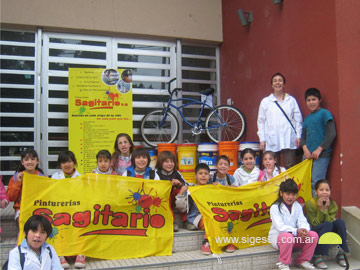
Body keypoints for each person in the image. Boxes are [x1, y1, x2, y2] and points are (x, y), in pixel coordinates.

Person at [175, 163, 231, 255]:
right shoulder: (191, 189)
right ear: (195, 176)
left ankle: (226, 241)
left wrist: (223, 189)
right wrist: (181, 193)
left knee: (222, 217)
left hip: (212, 214)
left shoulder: (212, 187)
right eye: (200, 173)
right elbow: (181, 208)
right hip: (197, 217)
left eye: (206, 173)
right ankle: (207, 242)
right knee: (212, 219)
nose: (203, 176)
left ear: (209, 176)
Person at [268, 179, 318, 270]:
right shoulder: (274, 208)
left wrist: (304, 230)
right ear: (281, 193)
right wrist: (296, 231)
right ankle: (284, 263)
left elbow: (302, 220)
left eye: (293, 194)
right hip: (280, 238)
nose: (290, 197)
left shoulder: (297, 206)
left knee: (313, 235)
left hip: (294, 238)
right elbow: (280, 227)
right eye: (288, 194)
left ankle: (303, 260)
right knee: (287, 237)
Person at [257, 72, 303, 169]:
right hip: (271, 138)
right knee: (272, 167)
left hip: (289, 137)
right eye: (275, 81)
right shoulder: (265, 101)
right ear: (272, 84)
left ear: (284, 84)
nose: (278, 83)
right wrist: (262, 139)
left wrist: (298, 135)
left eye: (280, 81)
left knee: (290, 166)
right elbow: (261, 121)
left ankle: (290, 184)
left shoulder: (291, 100)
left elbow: (298, 120)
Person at [304, 179, 349, 269]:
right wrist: (321, 210)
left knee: (340, 222)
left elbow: (331, 221)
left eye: (327, 190)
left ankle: (341, 253)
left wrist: (326, 209)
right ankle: (317, 255)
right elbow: (314, 223)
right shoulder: (310, 204)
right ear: (316, 192)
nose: (324, 192)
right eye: (321, 190)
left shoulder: (333, 205)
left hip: (328, 227)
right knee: (327, 224)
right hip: (315, 230)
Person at [51, 150, 84, 269]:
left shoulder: (81, 178)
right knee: (60, 231)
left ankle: (80, 255)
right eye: (64, 162)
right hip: (61, 211)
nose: (67, 164)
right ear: (60, 164)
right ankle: (60, 255)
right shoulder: (55, 177)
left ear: (74, 162)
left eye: (69, 161)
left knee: (79, 230)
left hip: (76, 211)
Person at [300, 88, 336, 196]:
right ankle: (308, 209)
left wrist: (319, 149)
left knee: (317, 183)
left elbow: (331, 134)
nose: (311, 102)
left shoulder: (325, 114)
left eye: (314, 99)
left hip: (322, 155)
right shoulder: (307, 118)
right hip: (307, 156)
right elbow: (303, 137)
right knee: (305, 182)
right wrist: (305, 150)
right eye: (309, 100)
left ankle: (318, 209)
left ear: (319, 100)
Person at [155, 151, 196, 231]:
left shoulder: (176, 172)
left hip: (176, 200)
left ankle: (186, 221)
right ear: (160, 162)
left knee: (181, 192)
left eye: (172, 161)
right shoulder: (157, 173)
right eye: (167, 162)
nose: (170, 164)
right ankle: (172, 221)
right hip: (164, 201)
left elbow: (186, 184)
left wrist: (180, 184)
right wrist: (170, 184)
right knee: (165, 197)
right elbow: (157, 188)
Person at [7, 149, 45, 224]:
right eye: (26, 160)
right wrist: (18, 182)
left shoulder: (42, 178)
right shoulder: (15, 178)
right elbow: (11, 197)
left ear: (37, 162)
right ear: (22, 162)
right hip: (21, 210)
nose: (30, 162)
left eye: (33, 159)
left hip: (38, 209)